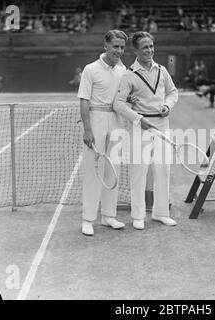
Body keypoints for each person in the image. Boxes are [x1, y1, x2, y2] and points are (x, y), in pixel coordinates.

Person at [114, 31, 179, 230]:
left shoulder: (162, 70)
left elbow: (173, 92)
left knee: (163, 170)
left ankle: (161, 213)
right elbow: (118, 104)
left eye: (151, 46)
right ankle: (138, 216)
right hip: (139, 127)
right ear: (136, 50)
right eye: (145, 47)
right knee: (138, 172)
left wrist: (167, 106)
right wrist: (138, 119)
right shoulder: (128, 75)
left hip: (162, 126)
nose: (149, 50)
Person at [77, 30, 128, 236]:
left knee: (113, 170)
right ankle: (87, 219)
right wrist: (88, 129)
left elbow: (124, 98)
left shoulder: (123, 70)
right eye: (115, 46)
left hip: (116, 121)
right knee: (93, 170)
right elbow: (83, 100)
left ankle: (109, 216)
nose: (119, 51)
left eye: (122, 47)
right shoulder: (90, 69)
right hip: (95, 120)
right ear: (105, 46)